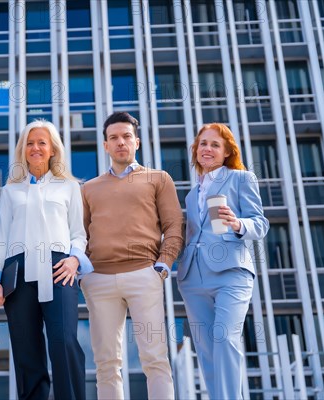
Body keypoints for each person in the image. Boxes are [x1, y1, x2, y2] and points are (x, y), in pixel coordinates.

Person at [0, 119, 92, 400]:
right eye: (30, 143)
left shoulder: (69, 187)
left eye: (42, 142)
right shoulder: (9, 191)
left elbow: (79, 234)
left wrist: (74, 260)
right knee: (26, 349)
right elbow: (1, 240)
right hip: (17, 272)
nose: (35, 148)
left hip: (60, 269)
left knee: (64, 341)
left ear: (53, 149)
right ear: (23, 149)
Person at [80, 111, 183, 400]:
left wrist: (162, 266)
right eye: (113, 138)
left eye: (126, 136)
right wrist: (85, 276)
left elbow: (174, 225)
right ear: (105, 145)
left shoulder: (158, 179)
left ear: (136, 142)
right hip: (98, 280)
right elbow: (80, 234)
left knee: (155, 358)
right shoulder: (88, 188)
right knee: (106, 364)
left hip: (144, 275)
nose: (120, 142)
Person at [177, 123, 269, 399]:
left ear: (227, 152)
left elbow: (260, 224)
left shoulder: (241, 178)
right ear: (196, 149)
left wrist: (237, 223)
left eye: (215, 145)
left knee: (225, 339)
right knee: (205, 349)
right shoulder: (192, 195)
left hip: (232, 272)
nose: (208, 149)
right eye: (203, 143)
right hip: (193, 278)